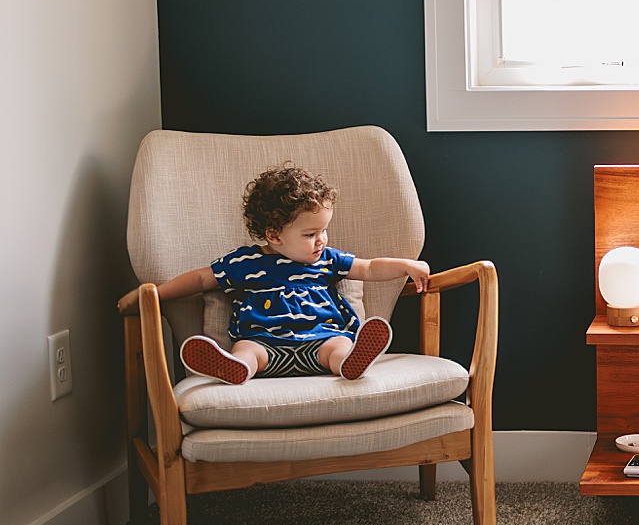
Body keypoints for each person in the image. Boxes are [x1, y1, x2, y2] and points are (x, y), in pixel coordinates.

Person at [117, 163, 430, 384]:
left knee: (338, 347)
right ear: (275, 235)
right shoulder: (245, 263)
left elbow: (370, 267)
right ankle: (235, 368)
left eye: (324, 230)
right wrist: (152, 295)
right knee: (246, 351)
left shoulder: (326, 260)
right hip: (264, 344)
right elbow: (200, 279)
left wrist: (406, 265)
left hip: (319, 341)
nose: (321, 240)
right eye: (310, 234)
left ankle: (350, 364)